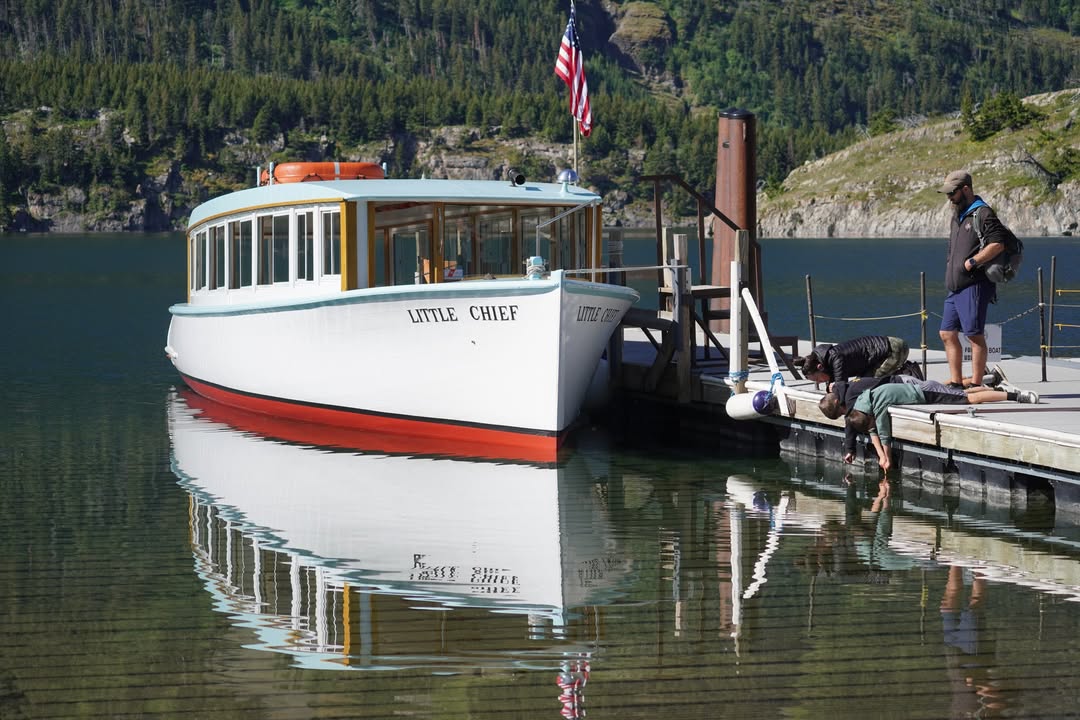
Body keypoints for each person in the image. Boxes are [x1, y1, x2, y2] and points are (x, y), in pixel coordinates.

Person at [846, 380, 1039, 471]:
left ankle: (1017, 396)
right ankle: (995, 389)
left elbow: (884, 434)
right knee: (963, 394)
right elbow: (873, 430)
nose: (873, 426)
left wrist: (886, 458)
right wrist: (882, 457)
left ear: (870, 416)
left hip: (926, 392)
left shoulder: (877, 407)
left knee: (971, 399)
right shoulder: (863, 404)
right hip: (922, 391)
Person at [938, 170, 1008, 389]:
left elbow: (998, 244)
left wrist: (972, 262)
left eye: (952, 193)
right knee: (947, 333)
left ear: (965, 189)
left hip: (974, 285)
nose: (949, 197)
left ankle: (977, 383)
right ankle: (956, 381)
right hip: (955, 287)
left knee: (974, 335)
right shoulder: (957, 216)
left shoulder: (983, 213)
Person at [794, 335, 911, 390]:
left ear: (820, 367)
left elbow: (841, 388)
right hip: (879, 355)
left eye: (817, 379)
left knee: (870, 383)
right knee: (860, 382)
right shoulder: (827, 360)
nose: (819, 382)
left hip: (894, 349)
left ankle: (908, 378)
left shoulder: (836, 358)